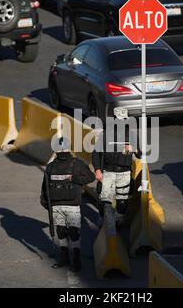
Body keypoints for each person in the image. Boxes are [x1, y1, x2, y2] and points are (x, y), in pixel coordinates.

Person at [40, 137, 95, 272]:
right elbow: (45, 187)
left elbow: (91, 177)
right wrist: (46, 202)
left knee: (68, 233)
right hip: (61, 206)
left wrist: (75, 179)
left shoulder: (72, 164)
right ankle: (67, 258)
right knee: (65, 232)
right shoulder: (53, 166)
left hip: (68, 206)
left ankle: (74, 259)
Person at [92, 108, 141, 228]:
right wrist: (98, 170)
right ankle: (102, 218)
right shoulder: (105, 134)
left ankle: (119, 221)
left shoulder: (132, 135)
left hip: (124, 173)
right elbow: (95, 154)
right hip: (108, 172)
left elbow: (140, 154)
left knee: (122, 202)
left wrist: (133, 149)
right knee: (104, 200)